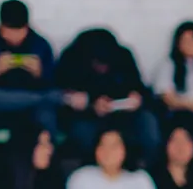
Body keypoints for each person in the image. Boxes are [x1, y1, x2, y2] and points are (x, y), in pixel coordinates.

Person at [57, 27, 158, 166]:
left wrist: (135, 99)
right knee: (82, 133)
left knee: (148, 125)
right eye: (98, 64)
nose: (102, 69)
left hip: (122, 114)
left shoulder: (124, 56)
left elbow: (141, 90)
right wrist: (90, 105)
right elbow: (59, 96)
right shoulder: (71, 59)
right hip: (85, 117)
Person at [0, 0, 61, 139]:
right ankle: (39, 100)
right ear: (0, 26)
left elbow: (50, 83)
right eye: (9, 31)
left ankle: (48, 159)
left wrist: (39, 73)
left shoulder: (40, 44)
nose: (14, 37)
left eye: (19, 32)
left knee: (47, 112)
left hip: (29, 105)